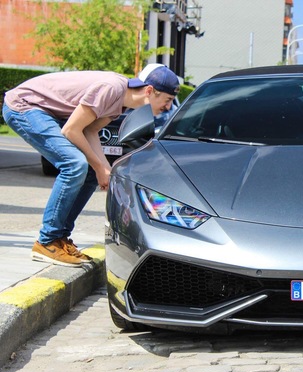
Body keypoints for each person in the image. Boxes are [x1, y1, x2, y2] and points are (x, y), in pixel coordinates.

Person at [2, 65, 179, 267]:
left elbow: (89, 132)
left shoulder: (120, 104)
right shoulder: (111, 89)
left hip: (45, 112)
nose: (168, 107)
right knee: (75, 164)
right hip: (24, 106)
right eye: (168, 100)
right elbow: (71, 130)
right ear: (149, 91)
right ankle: (47, 241)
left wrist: (104, 169)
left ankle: (60, 239)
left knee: (88, 173)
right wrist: (97, 166)